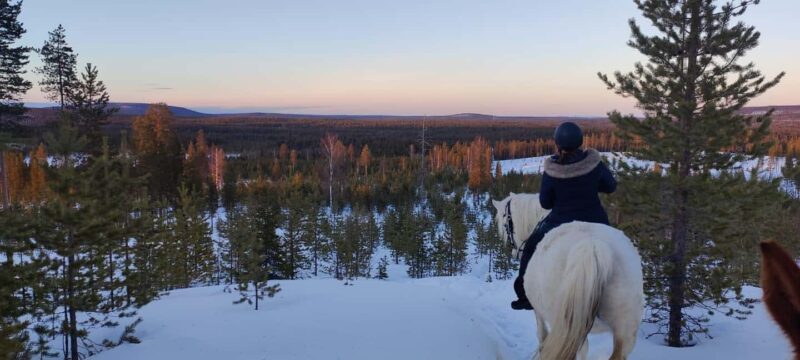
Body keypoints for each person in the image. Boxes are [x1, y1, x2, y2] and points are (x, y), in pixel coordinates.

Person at [511, 122, 617, 310]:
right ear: (580, 141)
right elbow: (611, 186)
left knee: (530, 247)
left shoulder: (552, 170)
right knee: (617, 249)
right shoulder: (594, 164)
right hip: (596, 220)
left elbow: (545, 203)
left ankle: (526, 296)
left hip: (560, 222)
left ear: (558, 144)